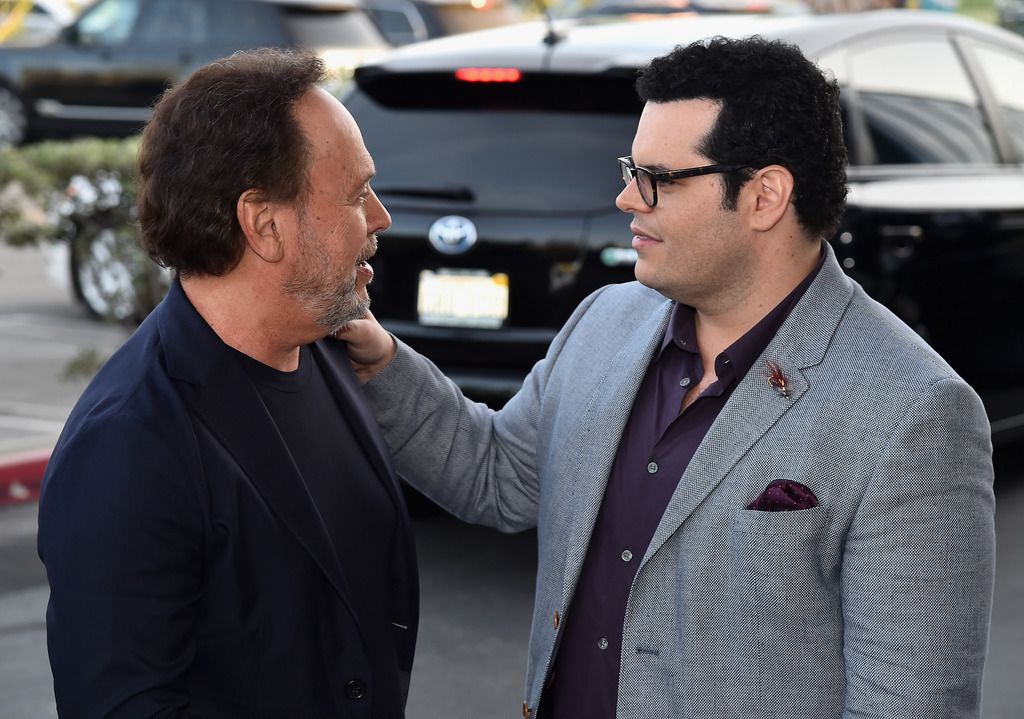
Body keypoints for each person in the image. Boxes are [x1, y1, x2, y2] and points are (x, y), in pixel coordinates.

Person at [337, 36, 995, 718]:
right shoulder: (606, 320)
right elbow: (500, 477)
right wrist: (380, 363)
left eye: (657, 176)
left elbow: (910, 705)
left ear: (765, 195)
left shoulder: (914, 413)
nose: (626, 197)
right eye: (630, 168)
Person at [37, 49, 418, 718]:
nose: (380, 217)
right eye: (357, 194)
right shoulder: (131, 440)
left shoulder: (328, 350)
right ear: (264, 224)